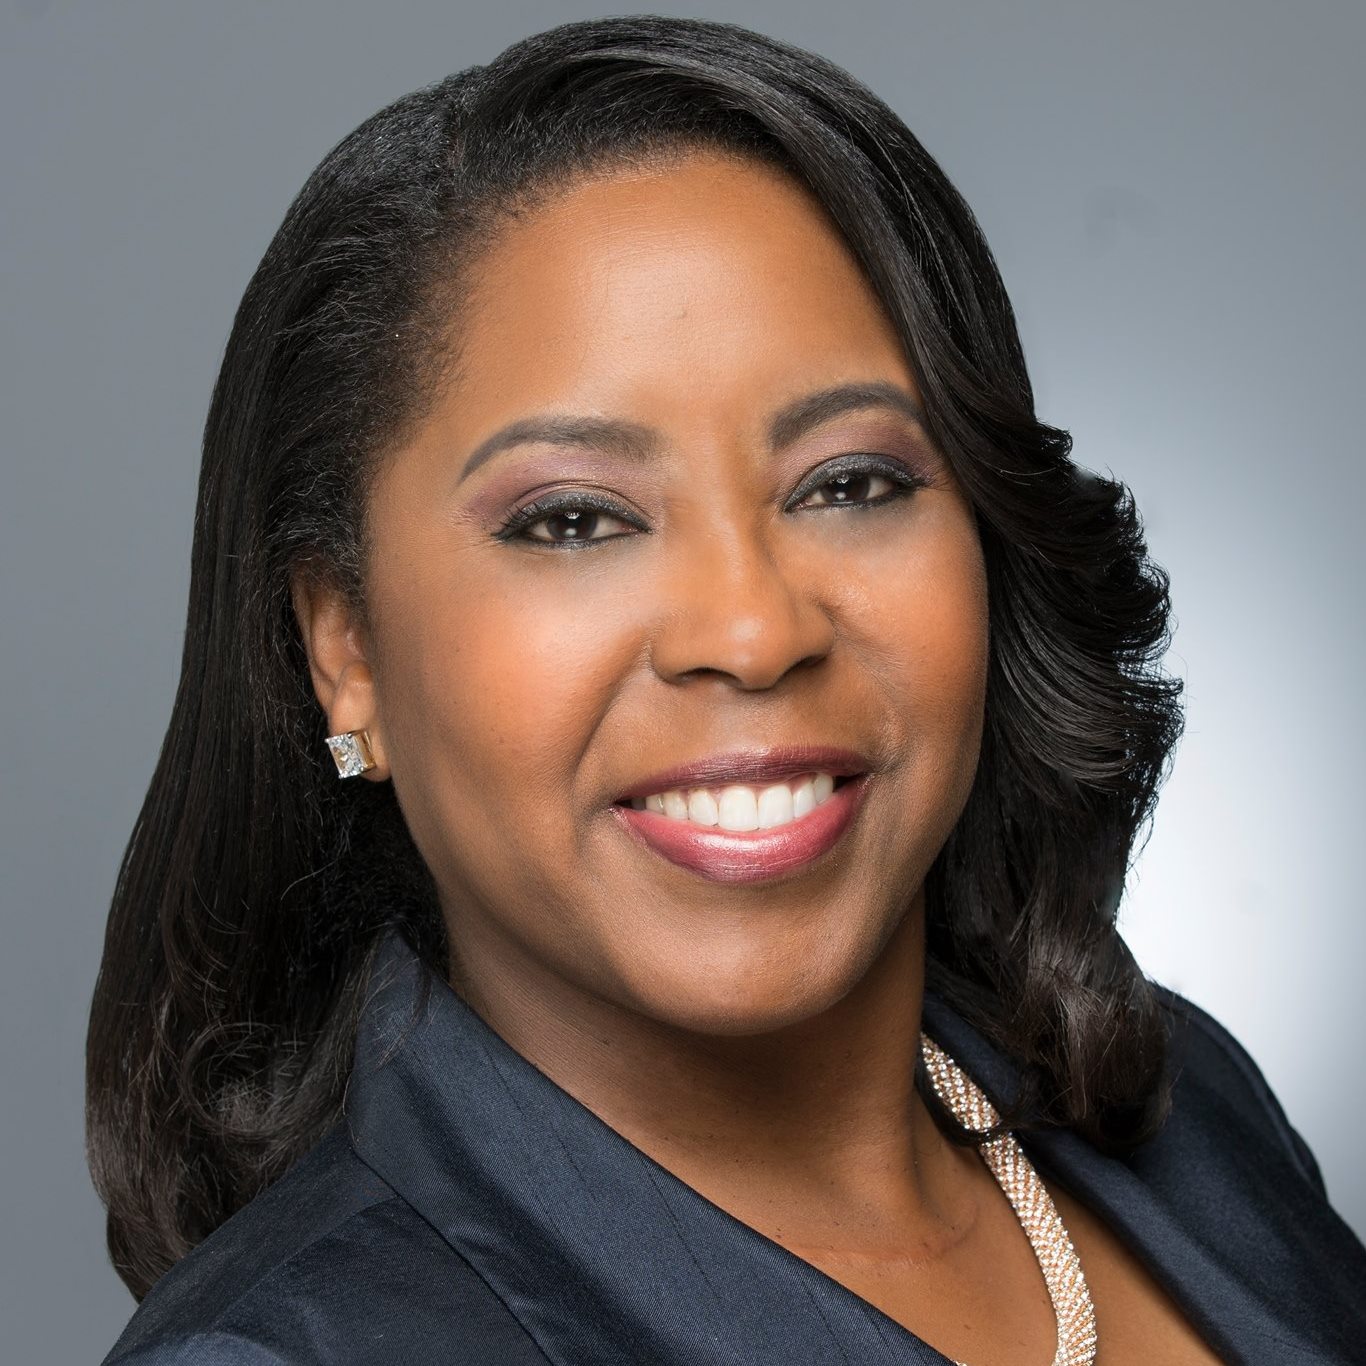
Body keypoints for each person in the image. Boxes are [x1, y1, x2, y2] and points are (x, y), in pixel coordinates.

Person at [87, 15, 1366, 1365]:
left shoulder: (1189, 1113)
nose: (753, 632)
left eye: (850, 483)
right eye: (574, 519)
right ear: (344, 648)